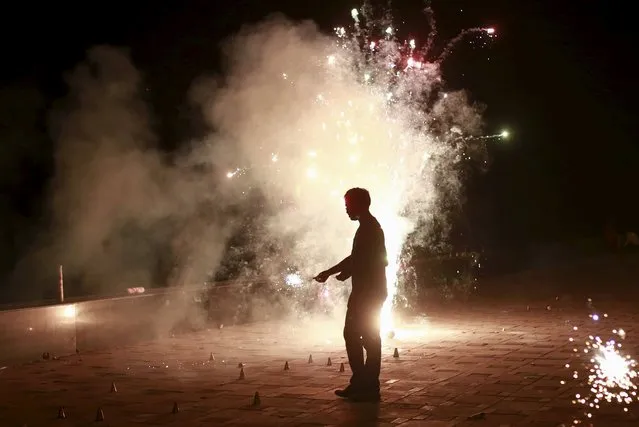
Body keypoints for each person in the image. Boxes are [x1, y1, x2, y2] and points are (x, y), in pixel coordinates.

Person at [314, 187, 388, 402]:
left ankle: (364, 384)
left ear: (359, 205)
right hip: (369, 292)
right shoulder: (369, 227)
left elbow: (364, 260)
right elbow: (363, 259)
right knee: (364, 336)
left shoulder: (369, 229)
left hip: (367, 294)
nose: (346, 210)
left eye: (348, 205)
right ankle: (367, 384)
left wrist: (334, 271)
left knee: (360, 336)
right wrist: (344, 271)